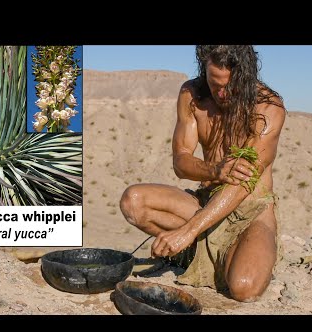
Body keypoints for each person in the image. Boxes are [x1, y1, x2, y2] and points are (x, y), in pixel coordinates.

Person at [120, 45, 286, 302]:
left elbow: (242, 185)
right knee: (133, 201)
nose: (221, 93)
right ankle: (198, 252)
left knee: (243, 288)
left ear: (245, 76)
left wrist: (188, 231)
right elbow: (181, 162)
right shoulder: (192, 95)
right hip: (207, 200)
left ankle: (242, 251)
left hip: (251, 210)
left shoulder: (267, 109)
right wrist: (215, 170)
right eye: (214, 83)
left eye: (229, 85)